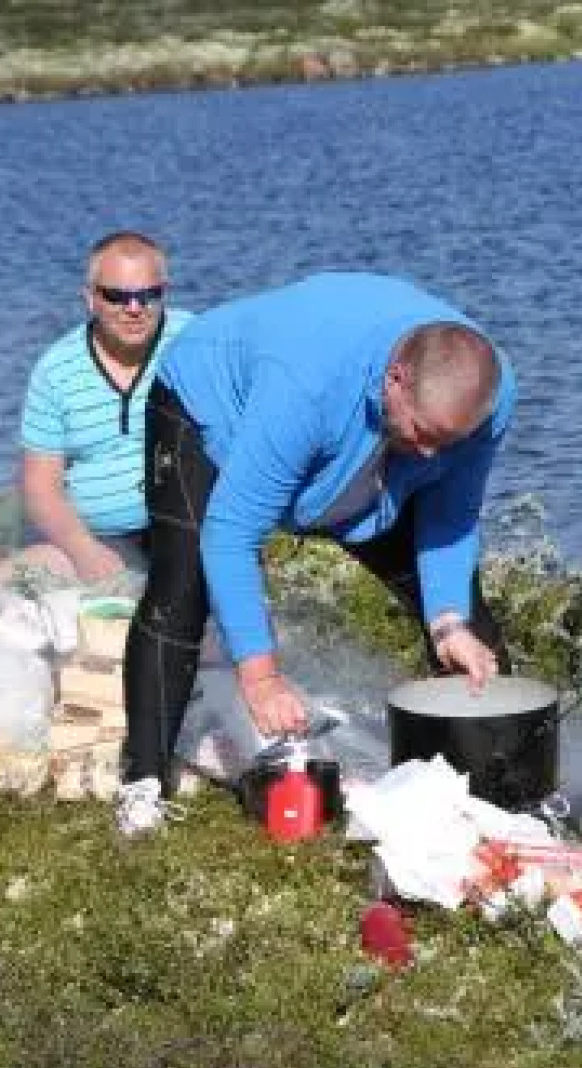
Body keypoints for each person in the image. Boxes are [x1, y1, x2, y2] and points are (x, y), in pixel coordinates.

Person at [115, 271, 519, 833]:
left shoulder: (482, 401)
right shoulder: (306, 385)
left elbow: (450, 515)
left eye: (447, 442)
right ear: (395, 379)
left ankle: (492, 806)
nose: (431, 456)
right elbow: (232, 532)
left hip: (358, 454)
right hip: (208, 403)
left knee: (470, 634)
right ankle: (143, 786)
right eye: (425, 434)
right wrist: (260, 676)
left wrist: (449, 622)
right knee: (182, 588)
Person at [11, 232, 194, 584]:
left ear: (164, 293)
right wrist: (85, 552)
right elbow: (41, 487)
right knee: (5, 582)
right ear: (90, 298)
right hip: (94, 539)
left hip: (185, 529)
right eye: (117, 296)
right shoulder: (56, 371)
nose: (134, 309)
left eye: (148, 295)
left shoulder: (196, 342)